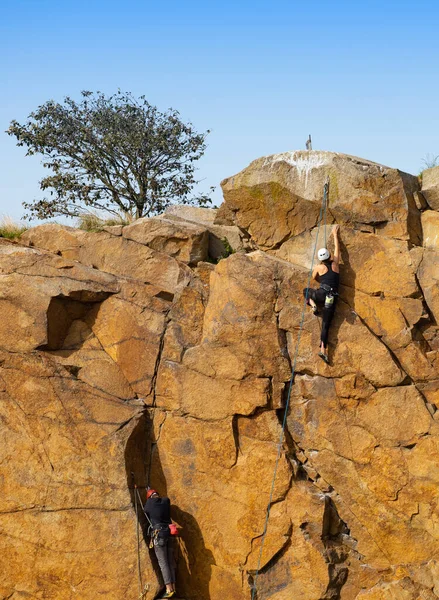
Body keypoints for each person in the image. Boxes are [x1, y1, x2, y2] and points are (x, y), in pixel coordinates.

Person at [303, 224, 340, 364]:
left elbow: (314, 277)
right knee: (326, 325)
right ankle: (323, 350)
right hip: (332, 298)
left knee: (306, 291)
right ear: (330, 256)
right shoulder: (336, 264)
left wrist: (320, 278)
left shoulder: (319, 267)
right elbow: (337, 249)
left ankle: (313, 305)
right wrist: (335, 235)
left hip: (321, 293)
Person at [145, 489, 177, 599]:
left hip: (159, 535)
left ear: (149, 497)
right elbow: (165, 500)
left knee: (163, 563)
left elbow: (146, 510)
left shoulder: (149, 503)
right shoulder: (165, 501)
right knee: (170, 561)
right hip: (169, 533)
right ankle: (174, 587)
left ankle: (169, 589)